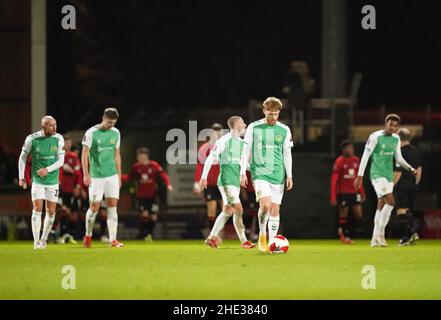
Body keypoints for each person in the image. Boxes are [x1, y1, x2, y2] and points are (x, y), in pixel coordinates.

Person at [354, 114, 417, 247]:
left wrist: (410, 168)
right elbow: (366, 156)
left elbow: (398, 158)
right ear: (385, 124)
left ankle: (374, 240)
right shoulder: (375, 136)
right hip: (377, 174)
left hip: (388, 175)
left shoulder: (396, 139)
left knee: (381, 204)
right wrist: (360, 176)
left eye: (395, 125)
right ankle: (380, 235)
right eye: (390, 124)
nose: (392, 127)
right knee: (391, 201)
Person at [240, 97, 294, 252]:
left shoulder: (284, 130)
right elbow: (245, 151)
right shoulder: (253, 127)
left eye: (276, 114)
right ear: (264, 111)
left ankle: (272, 243)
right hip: (260, 173)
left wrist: (289, 175)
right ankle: (262, 232)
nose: (273, 117)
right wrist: (243, 172)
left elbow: (287, 154)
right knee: (265, 205)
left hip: (278, 174)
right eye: (270, 114)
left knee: (275, 210)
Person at [200, 116, 256, 249]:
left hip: (235, 182)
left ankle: (211, 238)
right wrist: (204, 177)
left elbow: (243, 164)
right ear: (236, 125)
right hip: (225, 181)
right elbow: (210, 159)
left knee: (228, 210)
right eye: (243, 123)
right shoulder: (223, 141)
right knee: (238, 208)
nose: (245, 125)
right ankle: (244, 241)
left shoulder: (242, 143)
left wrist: (255, 169)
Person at [18, 116, 65, 249]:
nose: (55, 127)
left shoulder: (58, 138)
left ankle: (44, 239)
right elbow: (22, 158)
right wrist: (21, 176)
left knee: (51, 211)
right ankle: (36, 242)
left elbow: (61, 161)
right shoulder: (31, 139)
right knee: (37, 209)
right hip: (38, 180)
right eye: (51, 125)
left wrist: (47, 170)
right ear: (43, 127)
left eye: (55, 125)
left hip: (52, 181)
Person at [81, 107, 124, 248]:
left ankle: (113, 240)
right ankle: (88, 236)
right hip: (96, 176)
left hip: (111, 175)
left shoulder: (116, 133)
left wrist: (119, 175)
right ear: (103, 118)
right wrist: (86, 174)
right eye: (109, 122)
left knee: (113, 206)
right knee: (94, 208)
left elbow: (117, 155)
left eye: (113, 123)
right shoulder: (91, 133)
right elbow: (84, 154)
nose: (111, 125)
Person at [125, 147, 173, 241]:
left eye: (141, 156)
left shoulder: (154, 165)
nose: (139, 158)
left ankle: (149, 233)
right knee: (144, 215)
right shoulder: (136, 167)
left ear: (146, 156)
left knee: (153, 217)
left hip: (153, 196)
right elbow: (129, 177)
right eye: (138, 156)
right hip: (141, 196)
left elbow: (163, 175)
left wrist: (168, 184)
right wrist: (118, 179)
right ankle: (144, 234)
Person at [330, 140, 365, 244]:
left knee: (358, 214)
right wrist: (333, 196)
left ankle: (344, 230)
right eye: (348, 148)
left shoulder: (356, 160)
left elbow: (359, 178)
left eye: (352, 148)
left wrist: (361, 191)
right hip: (343, 192)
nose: (351, 150)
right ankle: (345, 235)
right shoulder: (339, 161)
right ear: (344, 150)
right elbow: (334, 180)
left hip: (354, 192)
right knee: (343, 213)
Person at [393, 128, 422, 246]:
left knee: (400, 211)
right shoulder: (415, 151)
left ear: (398, 138)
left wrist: (391, 185)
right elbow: (419, 169)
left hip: (402, 184)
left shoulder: (399, 151)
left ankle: (412, 233)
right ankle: (407, 238)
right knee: (407, 210)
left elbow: (398, 172)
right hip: (412, 184)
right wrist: (415, 183)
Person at [193, 123, 223, 232]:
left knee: (226, 208)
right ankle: (212, 234)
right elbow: (200, 166)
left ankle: (221, 231)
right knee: (212, 206)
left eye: (219, 131)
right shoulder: (204, 148)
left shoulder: (227, 146)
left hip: (223, 183)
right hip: (209, 183)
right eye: (214, 131)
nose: (217, 134)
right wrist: (197, 182)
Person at [58, 136, 81, 243]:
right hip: (60, 188)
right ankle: (62, 235)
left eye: (69, 143)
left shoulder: (74, 157)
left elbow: (78, 173)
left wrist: (78, 186)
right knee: (63, 211)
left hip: (71, 189)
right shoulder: (57, 156)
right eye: (65, 143)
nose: (67, 145)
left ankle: (70, 235)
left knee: (73, 214)